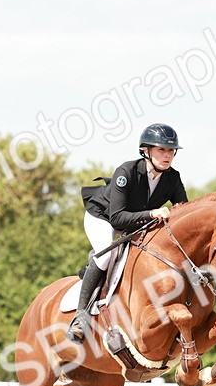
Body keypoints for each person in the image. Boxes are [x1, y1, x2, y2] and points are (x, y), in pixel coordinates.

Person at [68, 123, 189, 343]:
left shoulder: (173, 177)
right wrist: (153, 213)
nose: (168, 155)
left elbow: (183, 211)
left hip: (135, 222)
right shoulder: (127, 172)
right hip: (104, 216)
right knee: (106, 255)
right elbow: (117, 218)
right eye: (162, 149)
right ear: (146, 150)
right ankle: (80, 316)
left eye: (171, 151)